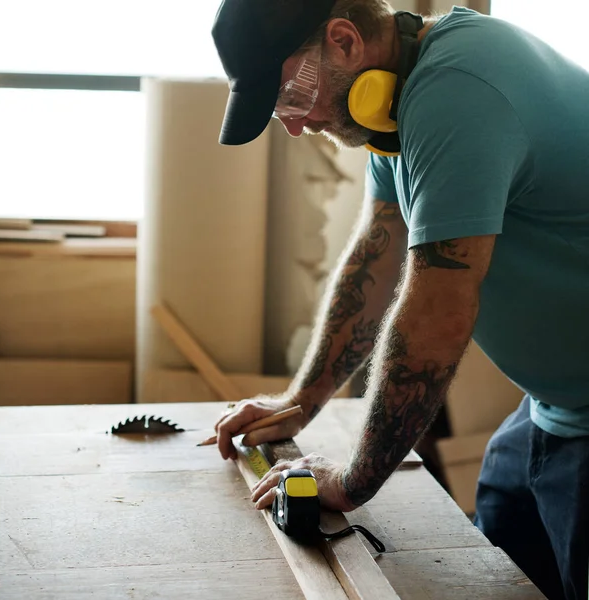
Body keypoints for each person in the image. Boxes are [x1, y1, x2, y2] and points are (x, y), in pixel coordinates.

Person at [210, 1, 589, 599]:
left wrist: (350, 482)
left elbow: (437, 310)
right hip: (554, 407)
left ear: (343, 41)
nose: (294, 125)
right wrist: (302, 399)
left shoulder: (458, 91)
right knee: (497, 563)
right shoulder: (402, 102)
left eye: (289, 97)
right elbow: (376, 257)